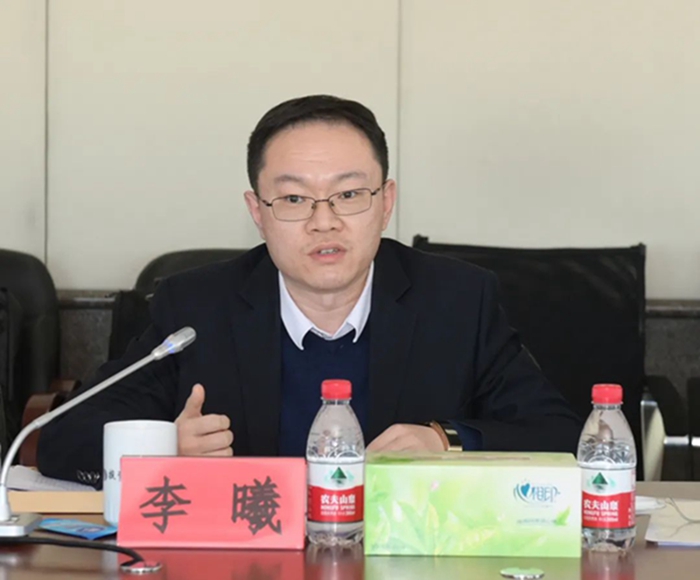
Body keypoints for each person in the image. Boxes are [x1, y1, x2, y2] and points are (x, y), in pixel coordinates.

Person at [37, 95, 582, 486]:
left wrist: (447, 440)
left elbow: (561, 435)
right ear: (258, 212)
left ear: (386, 202)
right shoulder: (197, 308)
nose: (325, 222)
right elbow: (60, 437)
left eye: (349, 195)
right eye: (295, 200)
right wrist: (162, 449)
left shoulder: (456, 300)